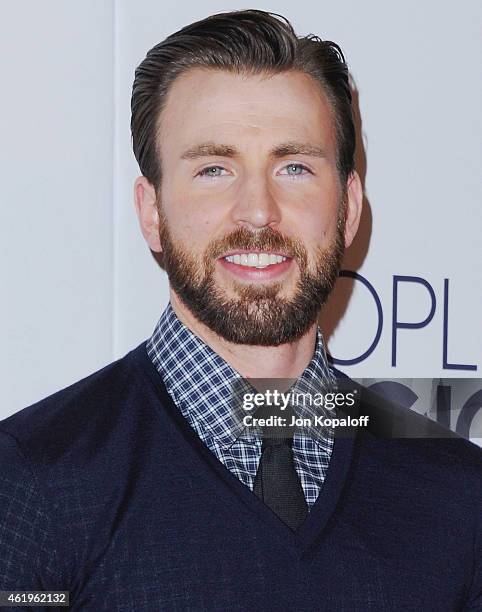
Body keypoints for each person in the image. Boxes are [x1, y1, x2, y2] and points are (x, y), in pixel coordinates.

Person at [0, 9, 480, 611]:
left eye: (295, 167)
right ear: (152, 212)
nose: (258, 211)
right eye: (214, 170)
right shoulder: (33, 481)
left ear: (350, 207)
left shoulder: (458, 493)